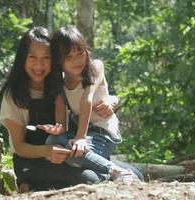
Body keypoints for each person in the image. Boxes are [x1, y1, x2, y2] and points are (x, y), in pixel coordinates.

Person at [0, 27, 117, 192]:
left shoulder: (61, 82)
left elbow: (91, 90)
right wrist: (47, 150)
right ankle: (29, 183)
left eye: (46, 58)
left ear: (55, 60)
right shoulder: (14, 94)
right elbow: (19, 147)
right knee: (90, 179)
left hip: (68, 153)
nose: (39, 65)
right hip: (32, 161)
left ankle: (114, 172)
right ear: (22, 59)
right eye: (32, 57)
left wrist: (112, 100)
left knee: (136, 173)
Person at [42, 26, 143, 182]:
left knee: (74, 154)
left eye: (80, 53)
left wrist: (81, 137)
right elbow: (62, 125)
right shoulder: (60, 86)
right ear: (59, 61)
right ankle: (110, 170)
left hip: (103, 132)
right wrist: (56, 130)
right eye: (69, 57)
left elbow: (86, 98)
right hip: (83, 133)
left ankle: (115, 171)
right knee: (52, 142)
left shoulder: (95, 67)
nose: (77, 60)